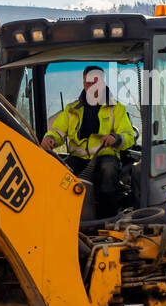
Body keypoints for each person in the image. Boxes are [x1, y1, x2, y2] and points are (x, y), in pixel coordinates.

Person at [40, 65, 135, 215]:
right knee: (61, 175)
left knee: (108, 170)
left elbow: (128, 136)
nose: (91, 86)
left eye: (95, 82)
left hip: (105, 156)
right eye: (88, 82)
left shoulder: (117, 109)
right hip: (78, 158)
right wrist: (50, 138)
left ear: (102, 83)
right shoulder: (72, 109)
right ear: (84, 83)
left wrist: (115, 138)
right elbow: (57, 131)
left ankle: (107, 218)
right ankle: (66, 218)